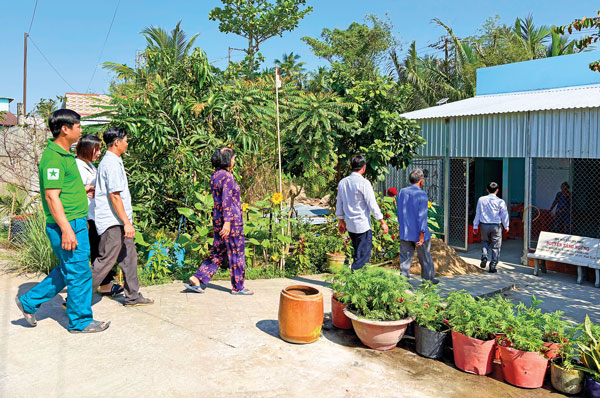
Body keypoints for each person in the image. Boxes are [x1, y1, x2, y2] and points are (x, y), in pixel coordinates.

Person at [15, 109, 110, 333]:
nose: (81, 130)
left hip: (74, 223)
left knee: (68, 270)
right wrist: (67, 229)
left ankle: (28, 302)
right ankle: (80, 322)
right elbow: (51, 196)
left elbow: (62, 190)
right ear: (65, 129)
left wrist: (82, 191)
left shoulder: (65, 155)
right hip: (65, 225)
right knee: (79, 273)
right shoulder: (54, 158)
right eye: (78, 126)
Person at [92, 127, 153, 306]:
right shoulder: (110, 163)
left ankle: (133, 296)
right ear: (117, 142)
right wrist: (126, 223)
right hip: (113, 222)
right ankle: (74, 299)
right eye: (126, 140)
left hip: (119, 221)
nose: (128, 143)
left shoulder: (115, 161)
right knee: (105, 262)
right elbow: (114, 196)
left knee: (129, 258)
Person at [184, 146, 253, 295]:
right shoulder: (227, 177)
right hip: (231, 222)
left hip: (218, 220)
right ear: (227, 160)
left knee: (218, 253)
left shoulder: (215, 176)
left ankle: (197, 278)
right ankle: (238, 287)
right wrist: (227, 222)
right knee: (236, 253)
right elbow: (226, 200)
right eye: (233, 158)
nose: (234, 161)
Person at [76, 134, 123, 297]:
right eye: (97, 149)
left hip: (95, 215)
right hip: (86, 217)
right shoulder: (78, 166)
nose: (98, 153)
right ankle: (80, 292)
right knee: (98, 254)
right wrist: (85, 190)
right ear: (88, 149)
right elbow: (72, 190)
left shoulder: (89, 165)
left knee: (99, 252)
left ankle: (105, 285)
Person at [336, 155, 388, 271]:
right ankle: (355, 282)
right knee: (362, 260)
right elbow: (372, 204)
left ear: (350, 166)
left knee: (358, 255)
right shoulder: (364, 183)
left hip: (350, 225)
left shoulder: (343, 183)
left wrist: (341, 221)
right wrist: (382, 221)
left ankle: (356, 281)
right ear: (363, 168)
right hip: (362, 226)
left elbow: (339, 203)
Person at [396, 169, 439, 284]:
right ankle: (428, 281)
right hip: (419, 233)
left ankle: (403, 283)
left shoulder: (401, 192)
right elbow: (422, 216)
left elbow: (399, 211)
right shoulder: (422, 194)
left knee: (405, 259)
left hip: (405, 232)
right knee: (425, 258)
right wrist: (422, 234)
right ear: (421, 181)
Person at [473, 182, 510, 273]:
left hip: (484, 225)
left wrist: (475, 225)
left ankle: (484, 255)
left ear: (487, 190)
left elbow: (478, 213)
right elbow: (504, 215)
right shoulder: (500, 202)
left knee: (484, 241)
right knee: (496, 246)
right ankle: (492, 266)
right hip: (496, 226)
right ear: (497, 191)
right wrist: (506, 226)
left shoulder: (481, 199)